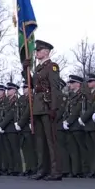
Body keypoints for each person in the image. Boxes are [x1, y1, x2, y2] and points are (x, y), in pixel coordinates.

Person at [22, 39, 64, 181]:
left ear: (46, 52)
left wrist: (54, 108)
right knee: (40, 142)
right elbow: (31, 84)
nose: (36, 53)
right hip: (38, 108)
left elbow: (55, 89)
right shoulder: (39, 69)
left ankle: (55, 171)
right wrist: (25, 70)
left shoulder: (52, 67)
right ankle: (42, 170)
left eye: (39, 50)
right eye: (36, 50)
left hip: (47, 107)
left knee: (51, 141)